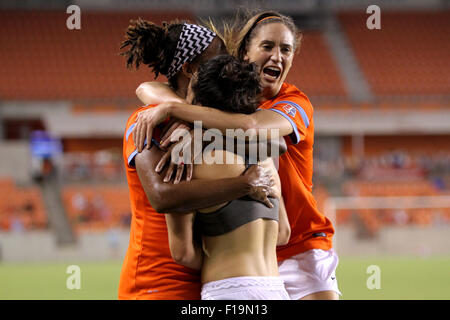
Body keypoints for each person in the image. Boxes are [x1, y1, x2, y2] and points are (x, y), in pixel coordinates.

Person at [133, 10, 341, 300]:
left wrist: (178, 114)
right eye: (267, 46)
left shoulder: (293, 102)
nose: (277, 57)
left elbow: (254, 128)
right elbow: (147, 87)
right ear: (244, 53)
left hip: (301, 245)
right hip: (271, 263)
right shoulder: (238, 109)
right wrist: (197, 121)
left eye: (286, 49)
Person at [118, 18, 276, 300]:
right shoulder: (145, 123)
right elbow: (162, 195)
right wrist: (243, 184)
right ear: (191, 69)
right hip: (156, 282)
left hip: (203, 281)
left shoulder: (209, 127)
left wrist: (199, 127)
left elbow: (274, 145)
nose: (225, 63)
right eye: (217, 56)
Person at [165, 54, 291, 300]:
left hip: (229, 290)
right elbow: (283, 233)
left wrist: (220, 256)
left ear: (201, 104)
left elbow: (182, 253)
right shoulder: (265, 159)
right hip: (276, 288)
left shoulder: (191, 160)